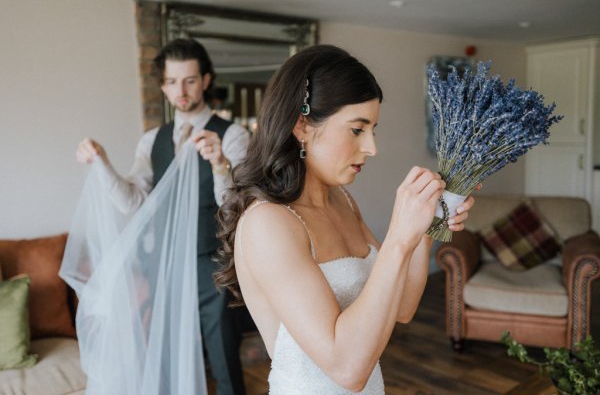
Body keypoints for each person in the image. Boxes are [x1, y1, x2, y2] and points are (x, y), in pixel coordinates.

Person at [214, 44, 476, 394]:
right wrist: (398, 237)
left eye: (373, 129)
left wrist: (426, 224)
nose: (372, 147)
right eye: (357, 129)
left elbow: (402, 307)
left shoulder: (343, 201)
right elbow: (347, 368)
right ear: (302, 125)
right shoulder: (268, 223)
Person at [76, 38, 249, 395]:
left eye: (189, 80)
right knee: (167, 358)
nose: (180, 90)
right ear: (163, 86)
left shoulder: (232, 135)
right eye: (171, 82)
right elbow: (134, 201)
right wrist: (103, 163)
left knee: (224, 359)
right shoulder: (152, 140)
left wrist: (219, 165)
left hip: (213, 265)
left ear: (205, 80)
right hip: (164, 264)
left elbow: (236, 207)